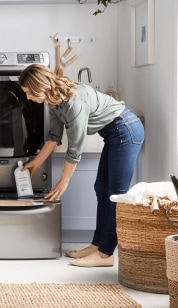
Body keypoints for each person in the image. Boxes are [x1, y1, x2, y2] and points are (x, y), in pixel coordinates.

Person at [19, 64, 144, 267]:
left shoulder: (73, 102)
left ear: (38, 86)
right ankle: (96, 245)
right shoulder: (54, 100)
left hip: (125, 129)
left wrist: (64, 181)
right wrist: (35, 163)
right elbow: (53, 137)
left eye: (27, 93)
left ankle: (106, 254)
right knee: (102, 189)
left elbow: (75, 148)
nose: (28, 98)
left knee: (115, 194)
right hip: (115, 133)